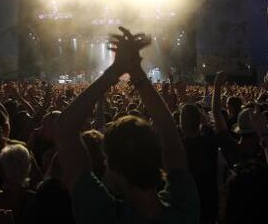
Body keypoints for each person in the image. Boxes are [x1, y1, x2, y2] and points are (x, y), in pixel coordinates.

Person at [57, 27, 200, 223]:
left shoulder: (102, 215)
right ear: (157, 157)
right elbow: (170, 136)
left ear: (114, 169)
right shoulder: (184, 210)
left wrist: (115, 71)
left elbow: (64, 128)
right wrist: (137, 73)